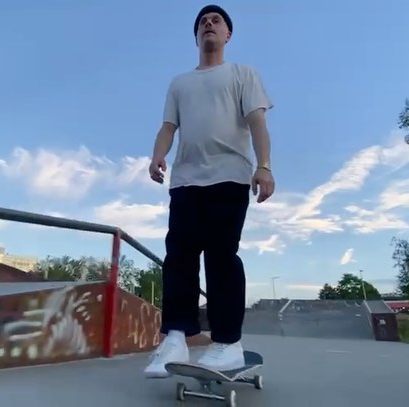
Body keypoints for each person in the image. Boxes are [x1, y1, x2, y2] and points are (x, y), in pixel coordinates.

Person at [143, 4, 275, 379]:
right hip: (186, 179)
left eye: (216, 21)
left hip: (229, 176)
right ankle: (175, 337)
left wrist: (264, 166)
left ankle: (227, 343)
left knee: (221, 257)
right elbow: (168, 127)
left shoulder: (242, 73)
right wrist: (157, 155)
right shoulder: (180, 83)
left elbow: (257, 122)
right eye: (203, 22)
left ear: (228, 34)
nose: (208, 24)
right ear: (196, 37)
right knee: (179, 258)